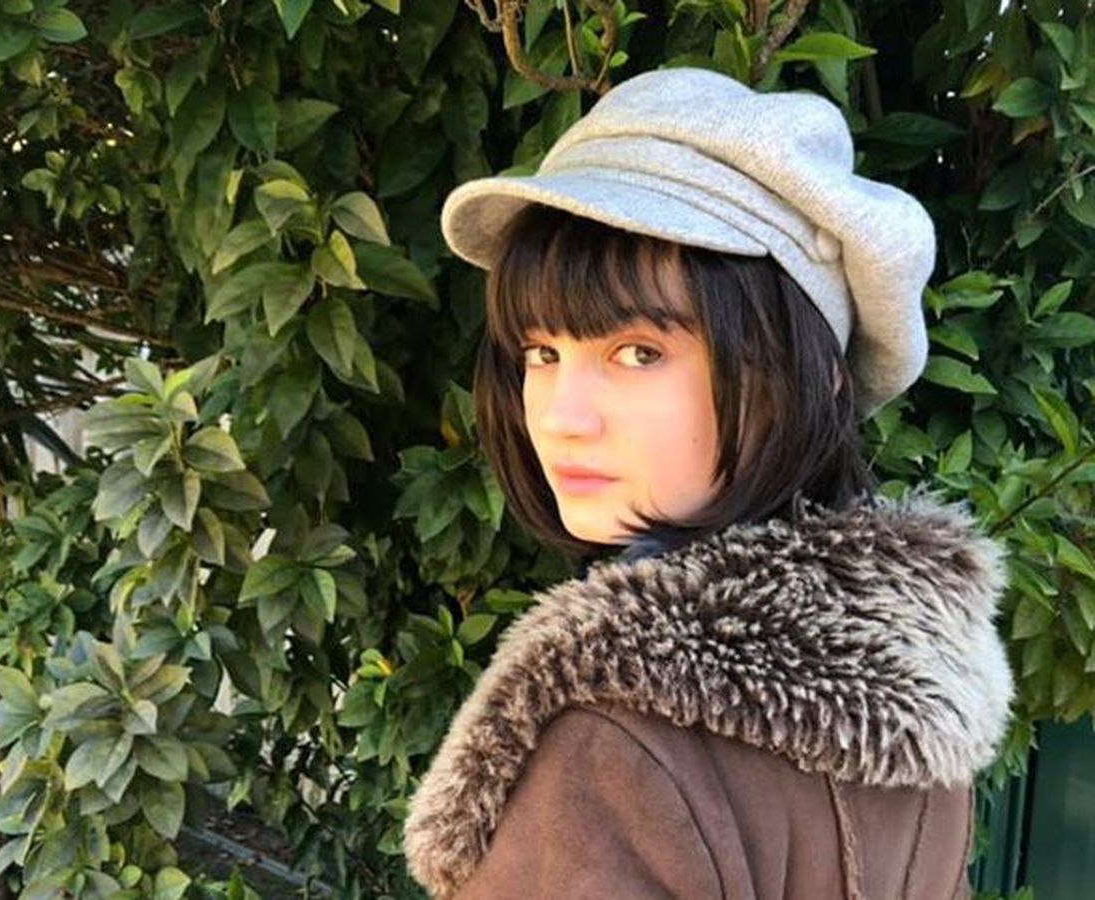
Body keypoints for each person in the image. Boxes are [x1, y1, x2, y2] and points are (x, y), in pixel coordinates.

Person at [401, 67, 1014, 900]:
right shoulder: (918, 696)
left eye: (638, 353)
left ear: (809, 378)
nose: (560, 416)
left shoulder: (613, 748)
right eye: (541, 352)